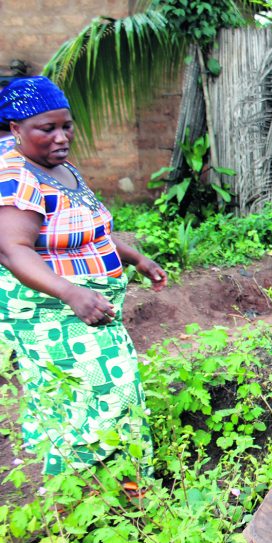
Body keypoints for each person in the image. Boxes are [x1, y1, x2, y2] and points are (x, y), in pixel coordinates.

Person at [0, 76, 166, 477]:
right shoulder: (18, 176)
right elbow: (12, 249)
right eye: (47, 129)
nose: (61, 137)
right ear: (15, 130)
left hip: (90, 307)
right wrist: (71, 293)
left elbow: (91, 233)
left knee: (110, 392)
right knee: (103, 392)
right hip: (55, 314)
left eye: (67, 126)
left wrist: (134, 258)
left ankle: (124, 485)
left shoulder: (59, 168)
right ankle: (85, 491)